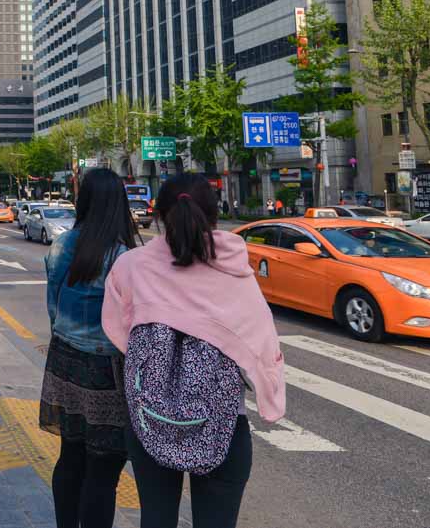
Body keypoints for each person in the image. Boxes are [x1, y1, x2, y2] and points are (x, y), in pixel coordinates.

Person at [101, 173, 285, 528]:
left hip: (149, 421)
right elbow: (261, 351)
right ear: (214, 217)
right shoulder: (235, 272)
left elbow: (117, 333)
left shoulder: (131, 267)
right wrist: (270, 399)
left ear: (158, 216)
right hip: (224, 426)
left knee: (156, 518)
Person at [41, 169, 140, 528]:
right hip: (106, 371)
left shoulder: (62, 244)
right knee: (103, 469)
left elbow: (53, 306)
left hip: (64, 362)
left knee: (70, 456)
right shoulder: (124, 256)